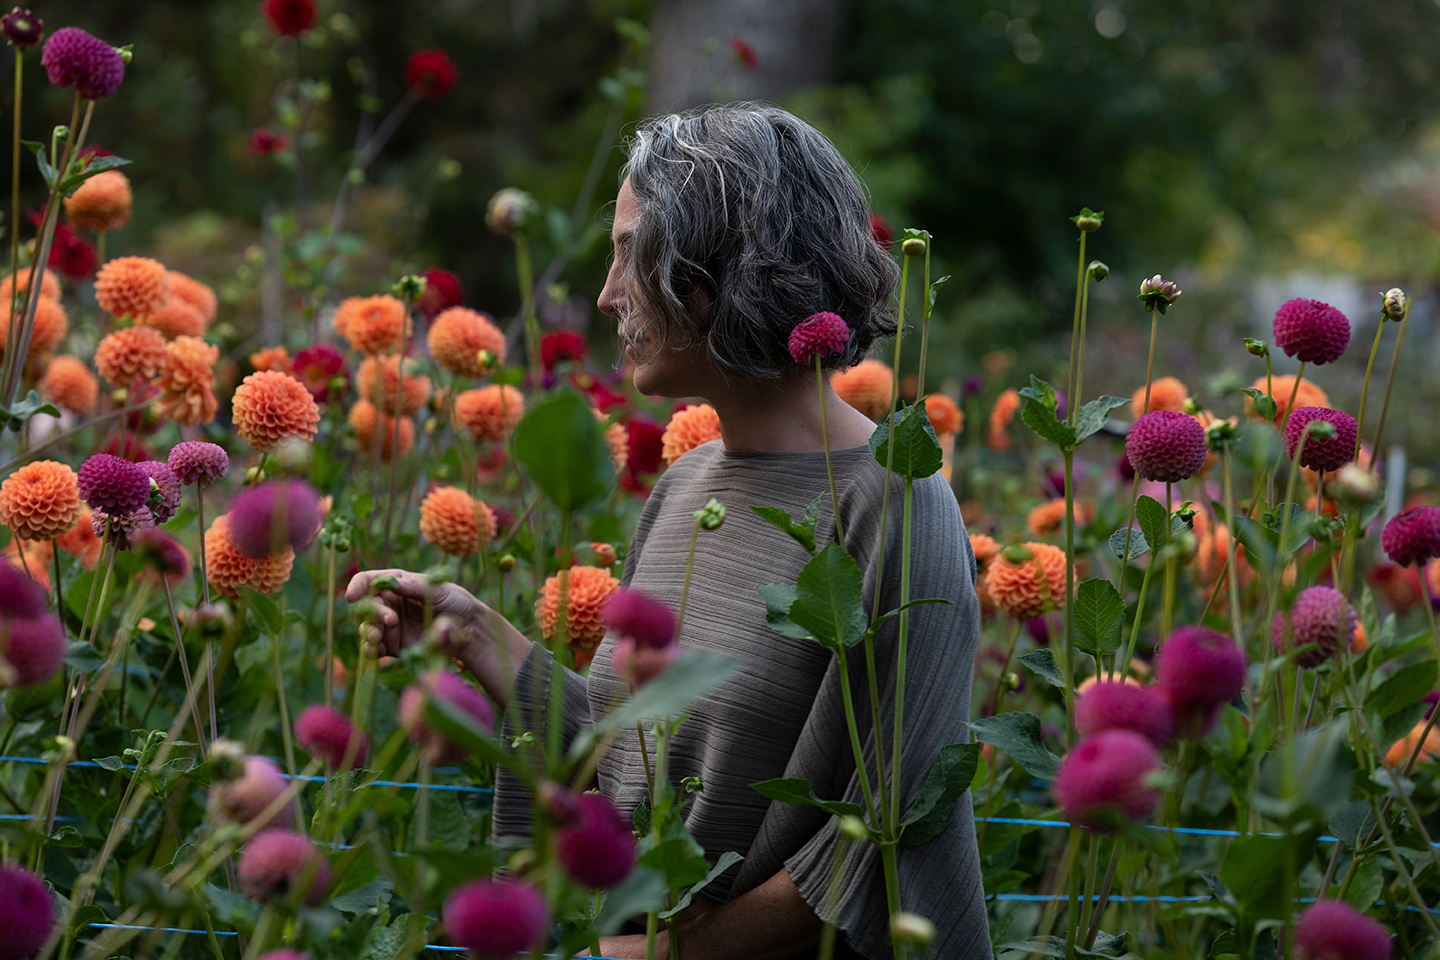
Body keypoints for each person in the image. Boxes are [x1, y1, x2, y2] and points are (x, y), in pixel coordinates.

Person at [346, 103, 989, 959]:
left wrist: (660, 952)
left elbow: (887, 829)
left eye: (627, 253)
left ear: (716, 268)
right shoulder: (687, 484)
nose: (609, 295)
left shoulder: (896, 502)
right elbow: (634, 767)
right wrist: (472, 632)